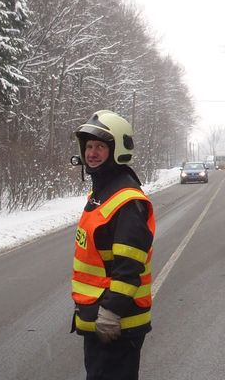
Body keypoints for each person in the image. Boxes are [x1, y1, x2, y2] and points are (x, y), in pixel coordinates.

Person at [70, 110, 155, 380]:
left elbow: (129, 266)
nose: (92, 153)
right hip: (99, 319)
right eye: (89, 147)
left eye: (100, 147)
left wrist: (111, 311)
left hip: (117, 323)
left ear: (117, 149)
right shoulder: (102, 193)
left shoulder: (127, 200)